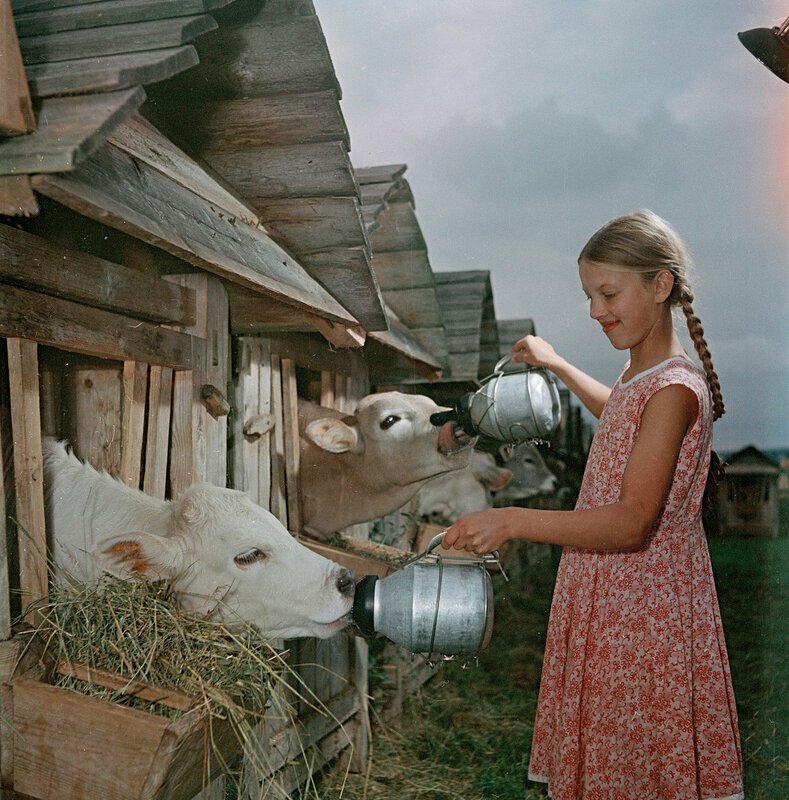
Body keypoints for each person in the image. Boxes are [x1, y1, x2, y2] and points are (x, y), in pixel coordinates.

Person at [443, 210, 743, 800]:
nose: (595, 310)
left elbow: (631, 523)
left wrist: (512, 520)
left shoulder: (675, 389)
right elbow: (623, 411)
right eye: (589, 295)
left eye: (608, 293)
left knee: (635, 771)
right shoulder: (646, 376)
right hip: (615, 596)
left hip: (641, 613)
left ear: (660, 285)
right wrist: (556, 364)